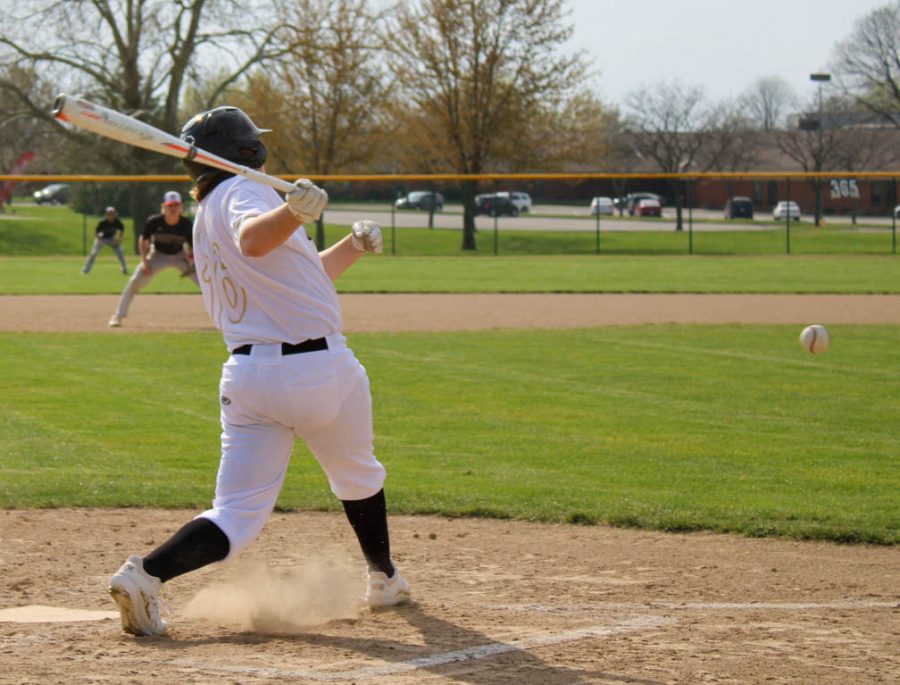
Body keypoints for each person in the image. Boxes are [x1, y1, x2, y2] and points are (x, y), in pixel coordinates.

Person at [107, 106, 410, 637]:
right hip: (318, 368)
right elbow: (255, 239)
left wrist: (353, 246)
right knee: (358, 474)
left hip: (248, 377)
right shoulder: (246, 192)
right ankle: (382, 576)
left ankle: (146, 575)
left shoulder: (207, 214)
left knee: (235, 513)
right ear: (248, 150)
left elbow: (302, 278)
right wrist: (294, 212)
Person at [108, 191, 197, 327]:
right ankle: (118, 316)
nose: (173, 208)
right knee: (134, 282)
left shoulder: (186, 224)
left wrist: (192, 262)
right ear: (164, 207)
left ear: (181, 207)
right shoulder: (154, 221)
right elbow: (143, 241)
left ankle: (225, 318)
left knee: (206, 283)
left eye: (176, 205)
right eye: (170, 205)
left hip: (180, 255)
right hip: (158, 255)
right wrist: (145, 262)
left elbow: (193, 248)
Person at [82, 206, 128, 275]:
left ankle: (124, 268)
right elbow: (96, 232)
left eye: (112, 213)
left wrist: (119, 240)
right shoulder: (102, 222)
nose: (111, 215)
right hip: (102, 238)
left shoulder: (118, 222)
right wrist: (99, 240)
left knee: (120, 253)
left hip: (111, 238)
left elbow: (121, 231)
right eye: (109, 214)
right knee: (93, 253)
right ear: (106, 215)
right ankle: (86, 269)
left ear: (115, 214)